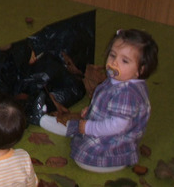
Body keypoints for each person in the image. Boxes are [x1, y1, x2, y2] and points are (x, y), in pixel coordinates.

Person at [39, 28, 159, 173]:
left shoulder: (127, 94)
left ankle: (115, 160)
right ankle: (69, 127)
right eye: (112, 55)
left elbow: (117, 125)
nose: (114, 63)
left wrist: (90, 127)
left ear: (140, 70)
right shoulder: (120, 79)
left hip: (113, 140)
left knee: (82, 158)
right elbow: (105, 101)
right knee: (81, 126)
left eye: (124, 61)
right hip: (104, 123)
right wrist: (90, 110)